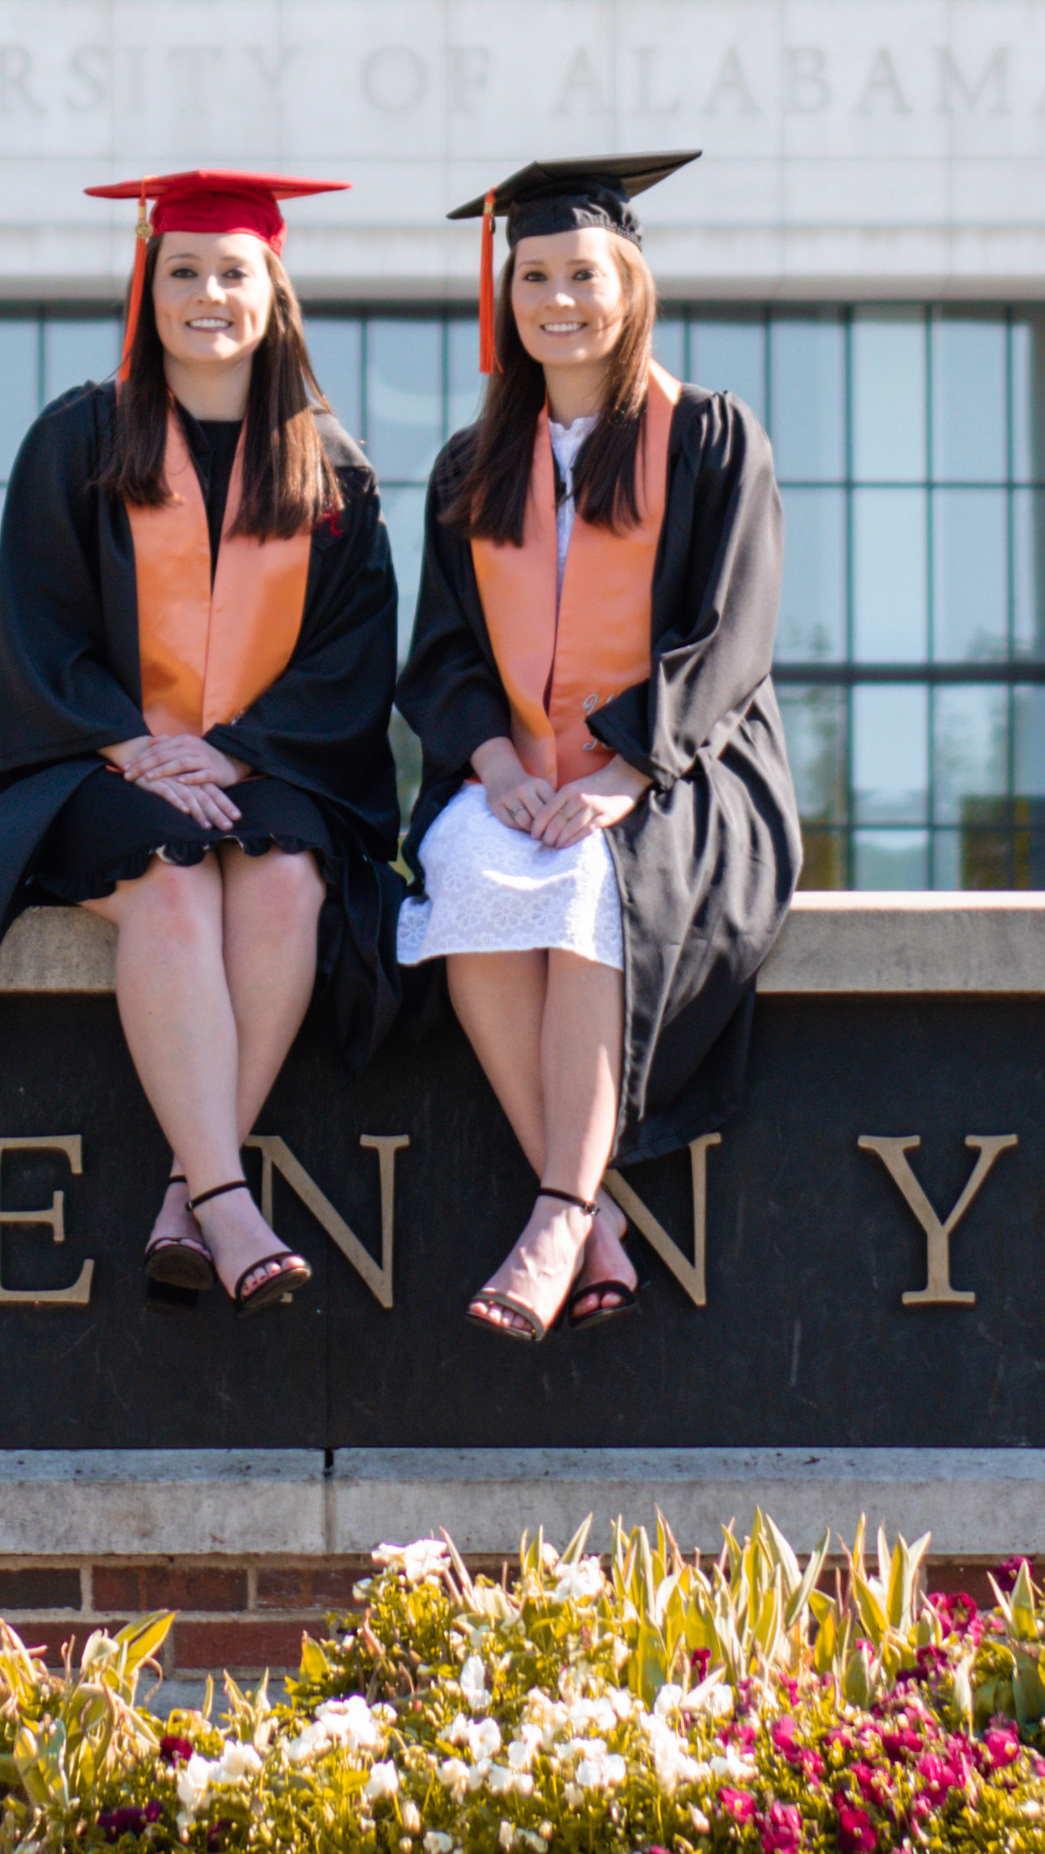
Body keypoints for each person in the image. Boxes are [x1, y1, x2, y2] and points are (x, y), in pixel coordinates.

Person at [0, 169, 408, 1313]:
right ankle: (229, 1198)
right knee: (172, 879)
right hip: (93, 769)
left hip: (263, 766)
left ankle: (187, 1197)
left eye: (231, 272)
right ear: (146, 286)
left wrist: (239, 748)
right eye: (182, 270)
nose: (207, 293)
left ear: (272, 291)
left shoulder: (328, 468)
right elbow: (37, 623)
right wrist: (133, 743)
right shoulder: (81, 436)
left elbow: (352, 654)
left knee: (289, 879)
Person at [398, 150, 801, 1340]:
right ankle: (598, 1225)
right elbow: (440, 655)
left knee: (583, 880)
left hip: (684, 768)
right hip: (521, 772)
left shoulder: (708, 437)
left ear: (628, 281)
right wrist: (497, 766)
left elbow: (731, 632)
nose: (556, 299)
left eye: (581, 272)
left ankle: (555, 1214)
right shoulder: (470, 469)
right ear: (504, 295)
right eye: (532, 276)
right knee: (467, 865)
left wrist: (626, 768)